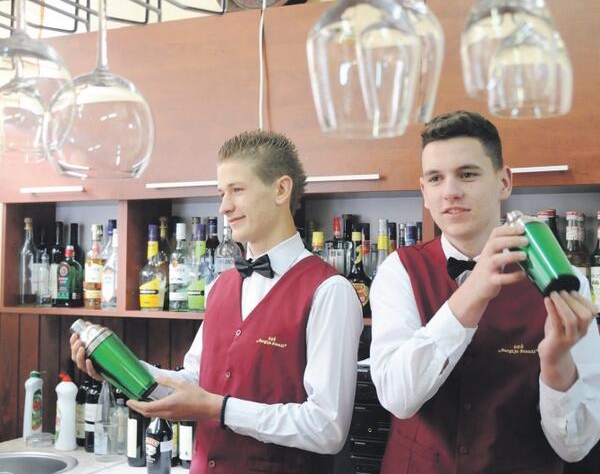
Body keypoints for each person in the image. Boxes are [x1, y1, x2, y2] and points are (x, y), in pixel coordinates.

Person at [71, 130, 363, 474]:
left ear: (281, 190)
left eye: (237, 190)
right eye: (222, 193)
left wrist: (219, 409)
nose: (224, 207)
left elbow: (327, 428)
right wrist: (120, 369)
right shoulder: (221, 286)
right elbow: (194, 382)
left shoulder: (329, 291)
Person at [370, 110, 600, 473]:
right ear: (425, 192)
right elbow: (397, 398)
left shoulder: (565, 280)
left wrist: (556, 364)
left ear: (504, 182)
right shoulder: (398, 271)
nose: (451, 191)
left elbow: (576, 448)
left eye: (467, 174)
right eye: (436, 178)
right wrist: (472, 294)